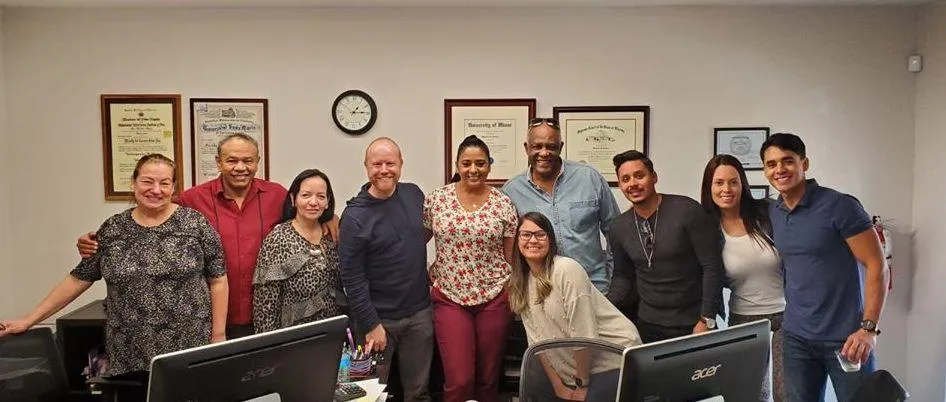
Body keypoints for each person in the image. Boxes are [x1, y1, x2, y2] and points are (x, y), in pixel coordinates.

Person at [1, 154, 227, 402]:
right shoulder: (113, 229)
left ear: (173, 187)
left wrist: (218, 337)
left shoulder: (195, 224)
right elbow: (79, 278)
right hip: (130, 349)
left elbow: (218, 280)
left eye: (164, 183)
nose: (155, 190)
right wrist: (29, 320)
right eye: (147, 181)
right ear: (133, 183)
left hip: (188, 344)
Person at [77, 133, 337, 339]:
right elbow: (152, 211)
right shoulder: (193, 199)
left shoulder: (277, 195)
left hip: (264, 317)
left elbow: (306, 209)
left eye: (248, 161)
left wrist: (330, 218)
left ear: (258, 161)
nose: (240, 167)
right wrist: (98, 242)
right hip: (209, 320)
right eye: (231, 160)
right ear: (218, 162)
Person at [760, 133, 888, 402]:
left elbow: (877, 264)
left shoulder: (840, 206)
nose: (779, 169)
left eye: (787, 161)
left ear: (804, 164)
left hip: (847, 339)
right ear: (765, 170)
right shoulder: (775, 211)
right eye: (771, 164)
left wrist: (869, 329)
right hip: (796, 337)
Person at [507, 212, 642, 402]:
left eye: (540, 234)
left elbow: (583, 335)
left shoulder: (567, 269)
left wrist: (582, 384)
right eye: (526, 234)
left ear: (550, 240)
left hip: (614, 359)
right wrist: (558, 386)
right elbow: (537, 344)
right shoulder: (521, 282)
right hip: (575, 370)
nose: (533, 240)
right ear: (517, 240)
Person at [423, 135, 517, 402]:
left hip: (494, 297)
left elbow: (509, 256)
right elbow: (416, 242)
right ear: (457, 165)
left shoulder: (504, 204)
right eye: (466, 163)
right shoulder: (437, 200)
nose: (473, 169)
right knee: (460, 379)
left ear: (489, 165)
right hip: (449, 297)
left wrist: (511, 289)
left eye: (480, 163)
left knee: (488, 379)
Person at [339, 137, 433, 402]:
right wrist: (371, 325)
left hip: (419, 315)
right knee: (366, 395)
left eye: (390, 163)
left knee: (419, 393)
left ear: (401, 164)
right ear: (366, 167)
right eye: (376, 164)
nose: (384, 170)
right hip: (376, 321)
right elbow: (351, 277)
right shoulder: (354, 216)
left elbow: (419, 236)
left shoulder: (414, 194)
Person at [607, 150, 725, 343]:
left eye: (639, 176)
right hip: (647, 326)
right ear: (620, 185)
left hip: (695, 324)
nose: (633, 184)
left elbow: (712, 266)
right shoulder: (618, 227)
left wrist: (707, 319)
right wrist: (602, 307)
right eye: (625, 179)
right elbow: (623, 277)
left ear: (654, 177)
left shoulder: (687, 211)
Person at [501, 118, 620, 293]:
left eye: (551, 146)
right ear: (526, 148)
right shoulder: (512, 191)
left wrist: (613, 278)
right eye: (537, 146)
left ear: (561, 147)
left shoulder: (589, 178)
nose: (544, 153)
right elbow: (509, 248)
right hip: (541, 290)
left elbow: (616, 232)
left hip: (593, 286)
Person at [700, 154, 784, 402]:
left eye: (733, 182)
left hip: (788, 316)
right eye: (719, 182)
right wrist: (706, 318)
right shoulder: (706, 229)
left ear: (742, 184)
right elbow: (705, 277)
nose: (726, 189)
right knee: (750, 395)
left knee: (788, 393)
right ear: (709, 187)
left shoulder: (768, 212)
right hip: (743, 319)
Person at [253, 169, 344, 334]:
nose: (313, 202)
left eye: (321, 196)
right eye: (306, 195)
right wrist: (268, 343)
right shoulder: (278, 239)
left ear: (328, 202)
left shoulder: (332, 235)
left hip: (333, 331)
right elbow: (265, 303)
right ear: (293, 199)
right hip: (294, 336)